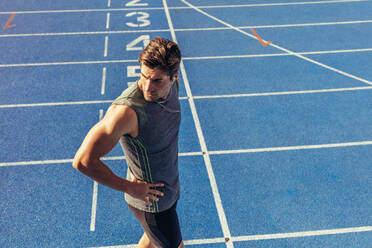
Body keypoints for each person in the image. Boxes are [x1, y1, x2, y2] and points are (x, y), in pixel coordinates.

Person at [73, 37, 184, 248]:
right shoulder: (127, 112)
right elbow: (83, 161)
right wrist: (131, 188)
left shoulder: (174, 87)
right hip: (152, 203)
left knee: (151, 241)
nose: (147, 86)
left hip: (170, 188)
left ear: (174, 77)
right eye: (143, 76)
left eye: (157, 80)